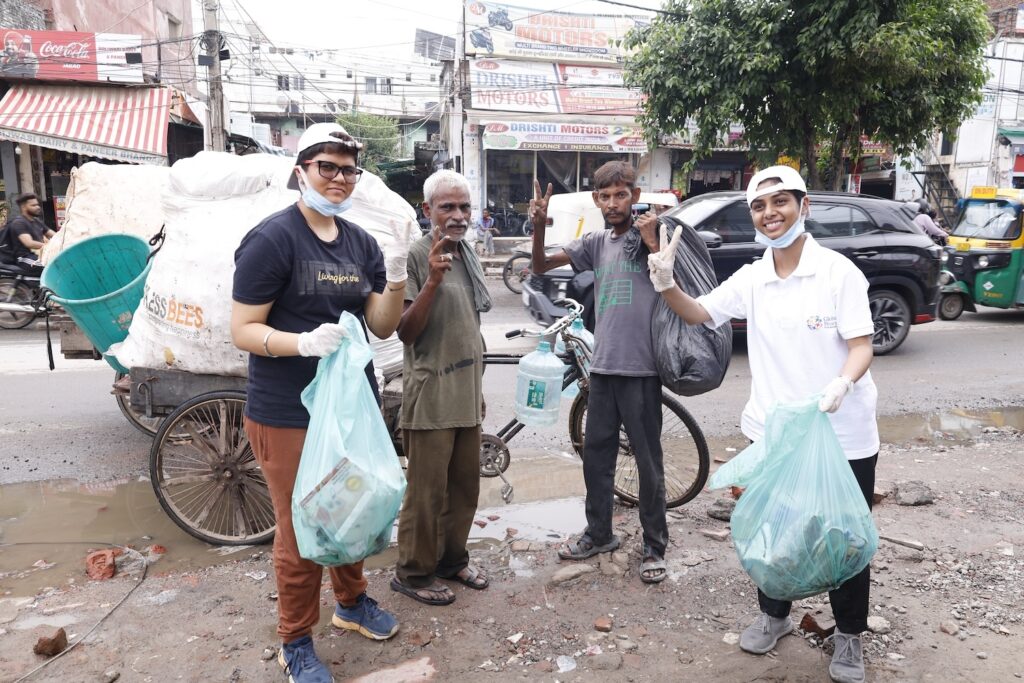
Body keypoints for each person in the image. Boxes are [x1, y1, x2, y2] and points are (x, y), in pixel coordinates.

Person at [647, 165, 878, 683]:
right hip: (774, 432)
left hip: (841, 431)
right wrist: (665, 283)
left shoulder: (839, 273)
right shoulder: (754, 278)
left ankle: (848, 636)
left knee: (845, 538)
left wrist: (840, 385)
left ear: (803, 207)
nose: (770, 214)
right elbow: (698, 312)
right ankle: (774, 616)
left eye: (780, 202)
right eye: (759, 206)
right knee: (774, 531)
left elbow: (862, 346)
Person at [231, 123, 414, 683]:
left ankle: (352, 603)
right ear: (301, 171)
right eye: (326, 167)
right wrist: (301, 344)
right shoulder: (274, 239)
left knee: (351, 508)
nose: (338, 178)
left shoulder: (360, 242)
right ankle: (295, 640)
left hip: (350, 404)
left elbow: (383, 324)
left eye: (348, 169)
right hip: (287, 409)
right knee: (302, 526)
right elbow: (243, 328)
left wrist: (399, 274)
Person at [529, 160, 672, 585]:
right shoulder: (594, 242)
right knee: (597, 457)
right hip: (603, 366)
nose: (613, 203)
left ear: (636, 195)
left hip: (643, 369)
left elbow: (671, 278)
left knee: (648, 461)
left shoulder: (655, 235)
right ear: (596, 200)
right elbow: (539, 266)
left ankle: (653, 545)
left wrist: (652, 243)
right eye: (605, 196)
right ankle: (599, 533)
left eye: (621, 194)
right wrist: (538, 226)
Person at [391, 169, 492, 606]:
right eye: (447, 207)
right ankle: (413, 573)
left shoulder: (465, 255)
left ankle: (452, 561)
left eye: (464, 206)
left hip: (466, 391)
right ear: (428, 210)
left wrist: (479, 388)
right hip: (431, 393)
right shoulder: (419, 255)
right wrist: (432, 280)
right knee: (426, 493)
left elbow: (469, 328)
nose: (458, 215)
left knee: (464, 487)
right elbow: (406, 332)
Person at [0, 193, 54, 275]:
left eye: (37, 205)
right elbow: (29, 243)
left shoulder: (36, 221)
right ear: (24, 207)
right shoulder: (19, 222)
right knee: (50, 266)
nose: (38, 207)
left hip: (38, 255)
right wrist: (50, 245)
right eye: (33, 205)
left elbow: (54, 235)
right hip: (23, 258)